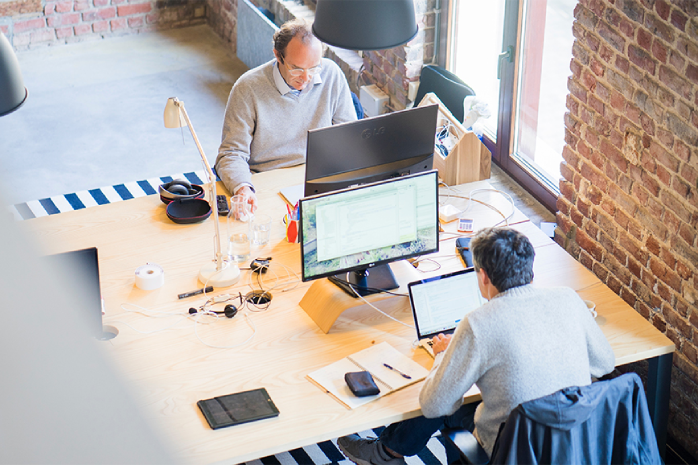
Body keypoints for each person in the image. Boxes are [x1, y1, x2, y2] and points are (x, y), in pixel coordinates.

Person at [337, 227, 616, 465]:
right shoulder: (568, 299)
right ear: (530, 269)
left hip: (511, 453)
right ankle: (386, 450)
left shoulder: (478, 323)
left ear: (483, 276)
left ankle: (384, 452)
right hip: (574, 445)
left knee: (446, 400)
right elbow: (605, 364)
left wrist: (443, 356)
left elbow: (434, 405)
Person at [215, 18, 357, 212]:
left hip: (316, 177)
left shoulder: (331, 73)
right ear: (278, 56)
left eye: (314, 68)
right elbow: (231, 154)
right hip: (266, 181)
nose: (306, 78)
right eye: (297, 68)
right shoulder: (247, 88)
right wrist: (243, 188)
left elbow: (349, 137)